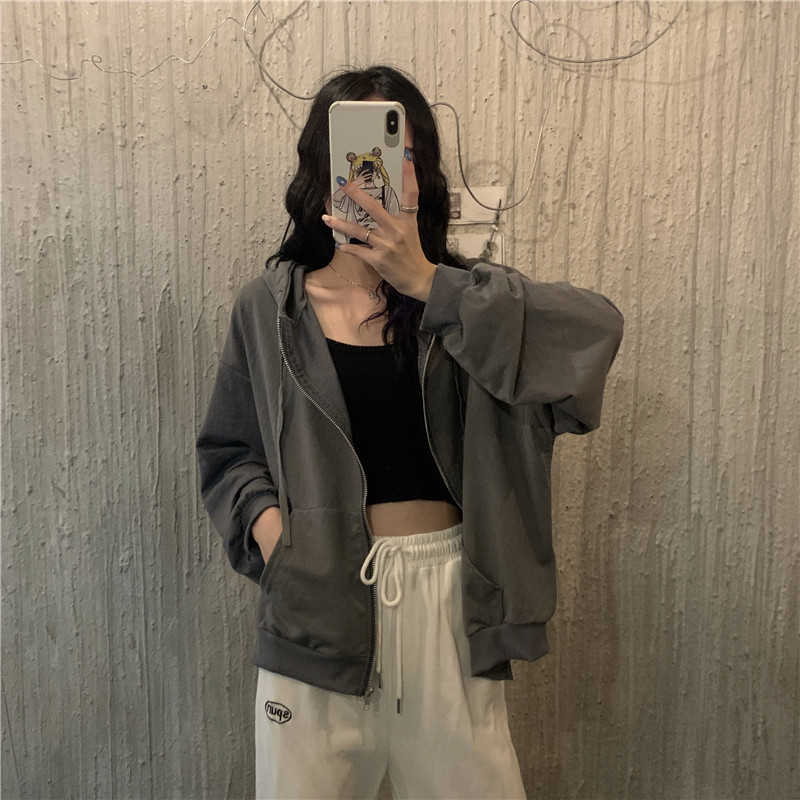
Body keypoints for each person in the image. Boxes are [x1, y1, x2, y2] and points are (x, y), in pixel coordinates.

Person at [196, 65, 624, 800]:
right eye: (357, 156)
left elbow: (594, 334)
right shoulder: (270, 310)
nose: (378, 176)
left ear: (423, 178)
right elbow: (229, 451)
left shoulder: (469, 304)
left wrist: (427, 282)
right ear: (322, 171)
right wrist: (277, 538)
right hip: (316, 606)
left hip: (450, 606)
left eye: (402, 155)